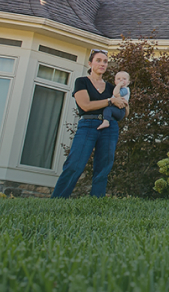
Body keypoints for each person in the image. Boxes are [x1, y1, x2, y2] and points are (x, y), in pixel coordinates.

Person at [51, 49, 127, 198]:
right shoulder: (82, 82)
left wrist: (125, 102)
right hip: (88, 124)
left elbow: (123, 112)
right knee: (75, 164)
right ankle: (57, 200)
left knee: (103, 167)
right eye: (98, 60)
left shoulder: (112, 87)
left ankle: (96, 202)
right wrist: (110, 100)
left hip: (109, 127)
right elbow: (85, 105)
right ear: (90, 63)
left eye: (105, 61)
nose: (102, 64)